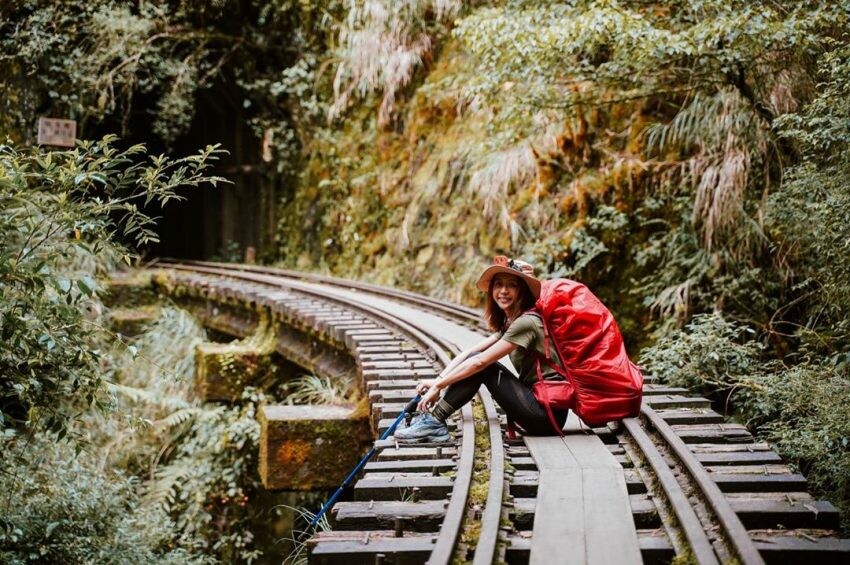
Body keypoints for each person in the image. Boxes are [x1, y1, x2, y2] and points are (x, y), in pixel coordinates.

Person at [394, 256, 568, 443]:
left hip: (546, 416)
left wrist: (439, 386)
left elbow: (480, 362)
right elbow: (469, 353)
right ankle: (433, 421)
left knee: (484, 367)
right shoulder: (514, 322)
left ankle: (435, 421)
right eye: (498, 284)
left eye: (512, 285)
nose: (503, 291)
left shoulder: (527, 323)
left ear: (523, 291)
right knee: (476, 361)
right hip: (540, 406)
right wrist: (438, 380)